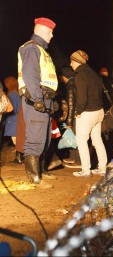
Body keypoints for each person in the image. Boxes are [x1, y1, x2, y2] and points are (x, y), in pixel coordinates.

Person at [18, 17, 58, 188]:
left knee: (44, 138)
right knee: (35, 139)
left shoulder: (42, 50)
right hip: (36, 100)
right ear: (41, 31)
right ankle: (34, 177)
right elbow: (30, 75)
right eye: (50, 32)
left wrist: (52, 100)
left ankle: (41, 171)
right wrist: (38, 99)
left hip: (45, 99)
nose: (52, 35)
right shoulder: (31, 48)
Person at [69, 50, 107, 177]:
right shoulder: (94, 74)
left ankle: (85, 170)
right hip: (99, 111)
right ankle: (102, 168)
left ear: (76, 61)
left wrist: (78, 111)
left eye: (71, 61)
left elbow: (82, 97)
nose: (70, 64)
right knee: (97, 139)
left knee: (81, 140)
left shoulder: (80, 75)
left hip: (87, 112)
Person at [59, 66, 82, 168]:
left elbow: (71, 105)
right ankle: (74, 157)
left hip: (75, 116)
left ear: (65, 76)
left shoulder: (70, 86)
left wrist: (69, 122)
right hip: (79, 114)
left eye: (62, 77)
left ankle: (78, 160)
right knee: (75, 137)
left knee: (76, 137)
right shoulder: (77, 83)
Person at [3, 77, 21, 155]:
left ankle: (20, 158)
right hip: (18, 118)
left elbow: (13, 108)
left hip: (13, 119)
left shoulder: (11, 93)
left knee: (16, 139)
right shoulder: (17, 92)